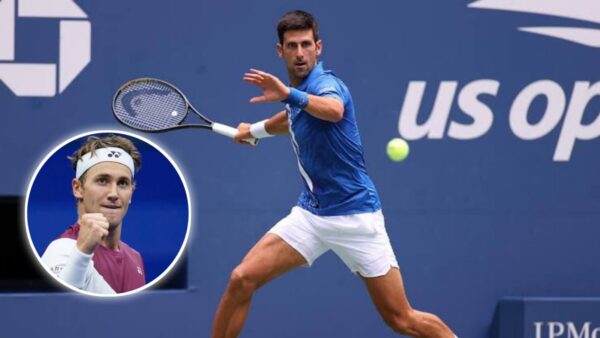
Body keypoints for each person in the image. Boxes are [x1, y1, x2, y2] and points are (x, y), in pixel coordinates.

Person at [212, 10, 458, 338]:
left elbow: (331, 110)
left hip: (357, 219)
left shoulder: (327, 85)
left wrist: (287, 93)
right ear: (280, 51)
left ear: (318, 47)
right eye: (292, 46)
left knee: (401, 319)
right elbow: (292, 117)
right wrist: (255, 130)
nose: (300, 53)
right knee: (242, 279)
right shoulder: (300, 95)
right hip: (311, 216)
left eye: (306, 45)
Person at [41, 135, 146, 294]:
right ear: (78, 188)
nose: (113, 194)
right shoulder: (62, 250)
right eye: (102, 181)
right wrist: (82, 253)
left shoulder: (135, 258)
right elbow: (57, 310)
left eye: (123, 183)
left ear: (132, 191)